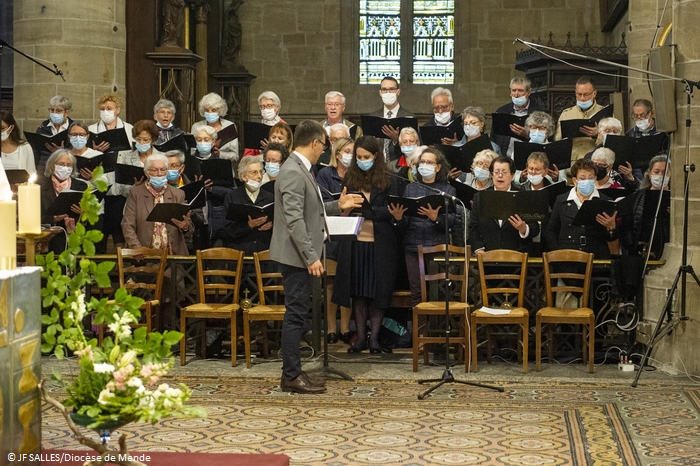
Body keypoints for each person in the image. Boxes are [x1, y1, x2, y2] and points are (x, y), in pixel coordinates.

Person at [269, 120, 363, 394]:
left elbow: (312, 210)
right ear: (314, 143)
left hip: (300, 253)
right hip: (296, 255)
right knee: (296, 314)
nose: (324, 150)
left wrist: (338, 205)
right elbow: (294, 220)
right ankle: (290, 376)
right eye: (324, 145)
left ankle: (295, 373)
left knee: (300, 313)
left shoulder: (300, 169)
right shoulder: (293, 172)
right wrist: (311, 257)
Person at [333, 136, 401, 354]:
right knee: (359, 293)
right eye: (359, 157)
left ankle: (375, 339)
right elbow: (345, 209)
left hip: (382, 245)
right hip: (356, 243)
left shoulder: (390, 180)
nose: (362, 160)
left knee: (378, 293)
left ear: (376, 157)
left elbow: (394, 212)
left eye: (366, 157)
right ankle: (361, 337)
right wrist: (375, 213)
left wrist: (372, 213)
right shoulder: (350, 179)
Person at [389, 147, 456, 306]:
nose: (425, 165)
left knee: (437, 292)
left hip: (437, 248)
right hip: (413, 247)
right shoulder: (410, 188)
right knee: (417, 292)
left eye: (429, 162)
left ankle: (436, 329)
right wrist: (398, 218)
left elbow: (453, 221)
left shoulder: (447, 190)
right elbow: (404, 222)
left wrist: (436, 218)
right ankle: (419, 330)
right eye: (422, 162)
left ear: (438, 167)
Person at [316, 137, 354, 344]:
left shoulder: (357, 175)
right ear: (338, 154)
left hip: (350, 232)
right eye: (347, 151)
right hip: (330, 234)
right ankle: (331, 328)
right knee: (330, 282)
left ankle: (346, 328)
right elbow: (320, 201)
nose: (350, 155)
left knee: (347, 281)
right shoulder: (325, 174)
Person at [545, 158, 619, 258]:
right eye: (583, 178)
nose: (587, 181)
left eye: (591, 178)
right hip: (567, 258)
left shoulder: (605, 201)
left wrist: (611, 227)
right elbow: (551, 231)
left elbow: (611, 238)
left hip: (596, 257)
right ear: (575, 180)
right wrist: (557, 254)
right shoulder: (561, 200)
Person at [121, 153, 192, 256]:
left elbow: (189, 228)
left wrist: (186, 226)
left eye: (163, 170)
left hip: (172, 257)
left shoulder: (178, 194)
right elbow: (127, 224)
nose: (159, 174)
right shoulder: (136, 193)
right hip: (144, 256)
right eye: (154, 170)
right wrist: (136, 248)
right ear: (146, 173)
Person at [468, 156, 539, 253]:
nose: (500, 175)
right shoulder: (480, 197)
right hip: (487, 257)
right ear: (491, 175)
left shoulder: (524, 196)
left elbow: (535, 228)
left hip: (517, 257)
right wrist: (478, 249)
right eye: (496, 172)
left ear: (512, 175)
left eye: (504, 172)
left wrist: (524, 228)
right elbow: (473, 227)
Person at [220, 155, 273, 255]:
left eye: (261, 172)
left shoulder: (270, 197)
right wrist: (248, 225)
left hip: (265, 253)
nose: (259, 176)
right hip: (240, 253)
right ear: (244, 176)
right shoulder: (232, 197)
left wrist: (272, 225)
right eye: (254, 172)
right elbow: (227, 228)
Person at [39, 149, 88, 253]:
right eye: (61, 164)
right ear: (52, 165)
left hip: (74, 237)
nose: (65, 168)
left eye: (69, 165)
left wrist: (83, 214)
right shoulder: (40, 186)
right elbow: (34, 216)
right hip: (49, 238)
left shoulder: (81, 186)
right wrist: (53, 218)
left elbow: (88, 217)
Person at [622, 155, 670, 260]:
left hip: (667, 247)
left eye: (665, 172)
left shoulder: (677, 199)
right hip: (641, 249)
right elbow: (627, 224)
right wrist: (632, 246)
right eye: (656, 172)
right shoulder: (638, 196)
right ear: (649, 174)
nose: (660, 175)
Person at [554, 76, 606, 163]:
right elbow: (557, 141)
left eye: (586, 94)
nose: (582, 98)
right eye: (579, 94)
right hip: (571, 164)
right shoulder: (566, 114)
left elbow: (614, 142)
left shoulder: (604, 113)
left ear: (594, 94)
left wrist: (597, 134)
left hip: (595, 164)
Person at [491, 76, 545, 158]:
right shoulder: (501, 111)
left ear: (529, 92)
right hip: (505, 159)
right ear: (510, 92)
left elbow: (548, 139)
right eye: (514, 90)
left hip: (530, 160)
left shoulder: (540, 112)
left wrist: (528, 135)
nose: (516, 94)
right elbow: (493, 139)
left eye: (520, 91)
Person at [369, 76, 414, 161]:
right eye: (384, 89)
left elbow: (414, 147)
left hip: (399, 166)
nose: (388, 92)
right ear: (380, 92)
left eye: (391, 89)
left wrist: (397, 140)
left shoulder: (408, 117)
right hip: (377, 166)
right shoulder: (373, 117)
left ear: (398, 91)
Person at [514, 111, 561, 186]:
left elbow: (563, 180)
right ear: (528, 129)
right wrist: (521, 178)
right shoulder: (519, 149)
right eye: (534, 127)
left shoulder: (556, 150)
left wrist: (556, 178)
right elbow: (512, 177)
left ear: (548, 131)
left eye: (542, 128)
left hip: (549, 191)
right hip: (525, 191)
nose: (537, 131)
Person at [191, 92, 239, 162]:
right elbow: (192, 153)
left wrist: (220, 154)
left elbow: (235, 156)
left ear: (219, 111)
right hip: (201, 167)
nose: (210, 113)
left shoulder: (230, 126)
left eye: (213, 110)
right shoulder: (197, 127)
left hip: (224, 168)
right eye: (207, 110)